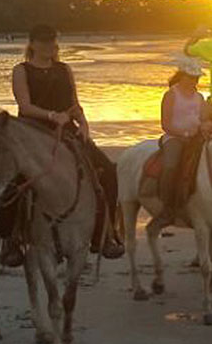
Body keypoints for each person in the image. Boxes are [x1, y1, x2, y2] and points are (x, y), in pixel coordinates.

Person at [9, 23, 125, 261]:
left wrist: (83, 123)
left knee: (109, 172)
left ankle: (105, 233)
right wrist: (52, 115)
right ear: (32, 44)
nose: (49, 46)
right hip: (33, 130)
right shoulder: (22, 70)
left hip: (67, 130)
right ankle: (11, 240)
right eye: (43, 41)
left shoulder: (64, 69)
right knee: (13, 180)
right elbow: (25, 106)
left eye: (51, 41)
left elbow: (74, 102)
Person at [159, 57, 206, 215]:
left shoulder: (200, 97)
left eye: (196, 77)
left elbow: (203, 119)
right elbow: (166, 124)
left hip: (196, 138)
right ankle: (166, 205)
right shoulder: (171, 95)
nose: (195, 80)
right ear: (182, 76)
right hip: (175, 138)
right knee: (171, 165)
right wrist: (183, 134)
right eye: (192, 77)